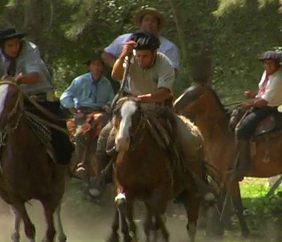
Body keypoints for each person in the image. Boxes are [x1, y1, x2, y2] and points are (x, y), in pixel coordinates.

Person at [91, 31, 214, 202]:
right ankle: (101, 178)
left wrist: (141, 99)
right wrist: (124, 56)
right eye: (138, 55)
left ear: (155, 53)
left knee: (189, 139)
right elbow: (116, 75)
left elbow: (163, 93)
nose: (140, 60)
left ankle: (194, 180)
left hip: (160, 110)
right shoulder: (131, 58)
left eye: (145, 56)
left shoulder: (165, 64)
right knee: (105, 135)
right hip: (132, 109)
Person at [0, 28, 73, 194]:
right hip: (12, 101)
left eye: (17, 44)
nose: (15, 48)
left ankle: (64, 171)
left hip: (39, 99)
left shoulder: (30, 50)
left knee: (61, 133)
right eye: (10, 45)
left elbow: (35, 76)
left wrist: (17, 79)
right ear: (2, 47)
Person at [232, 51, 282, 181]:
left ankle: (243, 166)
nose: (267, 66)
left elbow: (265, 101)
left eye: (270, 63)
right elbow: (263, 93)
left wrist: (249, 105)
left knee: (244, 128)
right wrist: (253, 95)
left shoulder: (278, 79)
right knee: (235, 118)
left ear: (277, 65)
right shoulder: (266, 75)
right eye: (265, 63)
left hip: (267, 108)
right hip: (261, 105)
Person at [60, 54, 115, 178]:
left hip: (101, 114)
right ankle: (81, 164)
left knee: (110, 135)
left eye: (99, 64)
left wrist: (108, 105)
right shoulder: (80, 81)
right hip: (83, 114)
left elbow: (112, 99)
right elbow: (65, 96)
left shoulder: (106, 83)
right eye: (94, 64)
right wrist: (74, 110)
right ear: (89, 66)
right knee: (80, 134)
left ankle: (108, 166)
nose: (97, 67)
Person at [101, 7, 180, 74]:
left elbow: (174, 71)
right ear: (141, 23)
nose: (149, 23)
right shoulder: (124, 40)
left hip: (156, 90)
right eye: (147, 20)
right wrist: (120, 68)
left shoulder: (168, 47)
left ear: (158, 25)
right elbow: (106, 54)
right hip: (126, 90)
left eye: (153, 21)